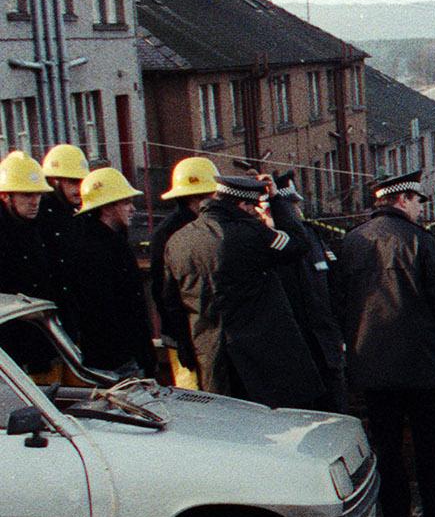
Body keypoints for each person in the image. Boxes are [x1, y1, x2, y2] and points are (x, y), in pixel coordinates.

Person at [337, 170, 435, 517]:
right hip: (422, 365)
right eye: (416, 201)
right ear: (401, 200)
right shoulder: (419, 242)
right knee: (430, 446)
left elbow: (337, 305)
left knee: (386, 448)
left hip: (372, 367)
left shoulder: (352, 243)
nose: (419, 209)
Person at [162, 169, 323, 408]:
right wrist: (277, 200)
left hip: (212, 361)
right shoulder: (252, 234)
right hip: (261, 362)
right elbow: (299, 244)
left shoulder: (178, 241)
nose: (256, 213)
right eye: (253, 208)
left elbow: (171, 305)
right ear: (242, 204)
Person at [261, 171, 348, 412]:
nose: (296, 211)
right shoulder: (265, 243)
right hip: (293, 360)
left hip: (326, 352)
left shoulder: (312, 237)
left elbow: (334, 289)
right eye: (290, 207)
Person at [65, 167, 156, 375]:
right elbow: (103, 312)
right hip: (117, 361)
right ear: (106, 208)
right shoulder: (94, 251)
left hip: (126, 356)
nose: (132, 209)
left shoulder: (111, 243)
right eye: (125, 202)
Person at [150, 155, 217, 387]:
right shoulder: (180, 233)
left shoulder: (166, 232)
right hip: (189, 336)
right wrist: (183, 342)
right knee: (196, 396)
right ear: (197, 198)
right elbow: (165, 293)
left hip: (190, 334)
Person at [0, 150, 59, 379]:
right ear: (6, 196)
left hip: (39, 344)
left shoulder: (37, 228)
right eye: (27, 195)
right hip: (10, 352)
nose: (35, 202)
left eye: (38, 195)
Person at [37, 142, 88, 334]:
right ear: (55, 181)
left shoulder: (77, 214)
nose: (79, 189)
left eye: (82, 182)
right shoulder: (44, 217)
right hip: (55, 310)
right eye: (72, 182)